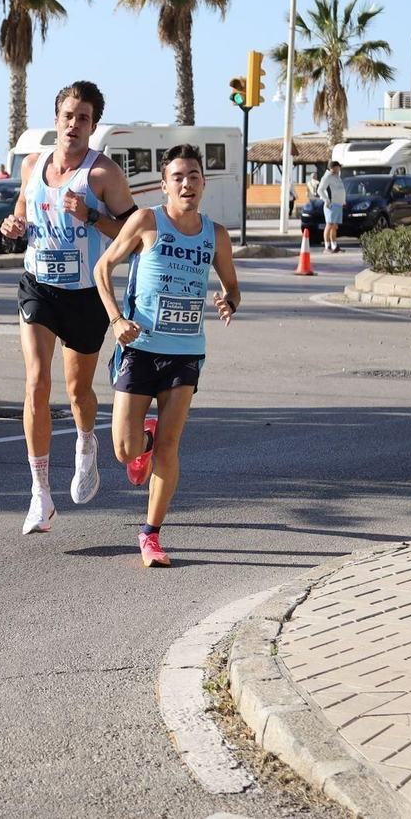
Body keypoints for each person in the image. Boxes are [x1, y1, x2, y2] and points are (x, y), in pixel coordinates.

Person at [0, 80, 137, 535]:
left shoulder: (103, 175)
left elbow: (135, 234)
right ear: (55, 119)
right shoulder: (32, 164)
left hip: (85, 294)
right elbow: (22, 210)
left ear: (93, 126)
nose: (74, 124)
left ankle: (85, 442)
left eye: (83, 118)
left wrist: (91, 216)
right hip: (38, 287)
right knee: (37, 382)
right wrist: (14, 226)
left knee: (78, 393)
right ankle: (40, 494)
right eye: (68, 116)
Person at [93, 144, 239, 567]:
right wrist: (116, 319)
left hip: (185, 352)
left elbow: (232, 286)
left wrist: (229, 301)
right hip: (139, 348)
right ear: (164, 185)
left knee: (170, 448)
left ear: (203, 183)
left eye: (193, 176)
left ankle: (150, 534)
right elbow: (103, 268)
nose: (186, 183)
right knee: (124, 450)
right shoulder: (146, 221)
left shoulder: (216, 235)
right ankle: (145, 439)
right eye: (178, 177)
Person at [320, 161, 347, 253]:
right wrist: (327, 200)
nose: (339, 169)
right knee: (329, 224)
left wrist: (343, 201)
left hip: (338, 204)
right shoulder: (327, 177)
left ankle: (334, 246)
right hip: (331, 205)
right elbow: (320, 190)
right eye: (337, 167)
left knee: (334, 226)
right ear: (333, 167)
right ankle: (327, 246)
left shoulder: (337, 176)